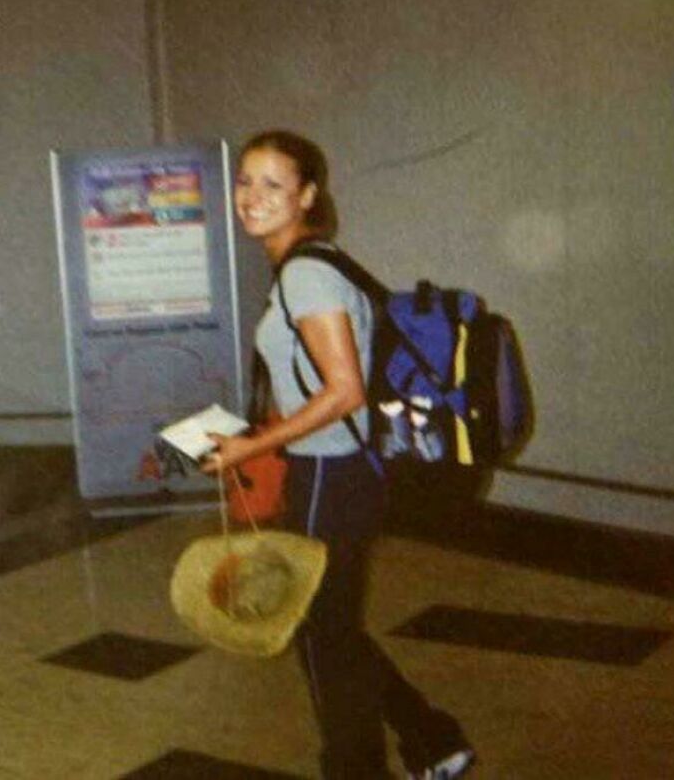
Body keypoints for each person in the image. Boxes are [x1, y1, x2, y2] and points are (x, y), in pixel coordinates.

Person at [201, 130, 474, 779]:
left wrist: (254, 445)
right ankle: (433, 740)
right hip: (331, 467)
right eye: (245, 181)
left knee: (323, 639)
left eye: (273, 184)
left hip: (333, 472)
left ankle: (364, 766)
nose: (252, 196)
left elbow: (344, 390)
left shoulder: (307, 274)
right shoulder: (310, 264)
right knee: (329, 628)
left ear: (307, 195)